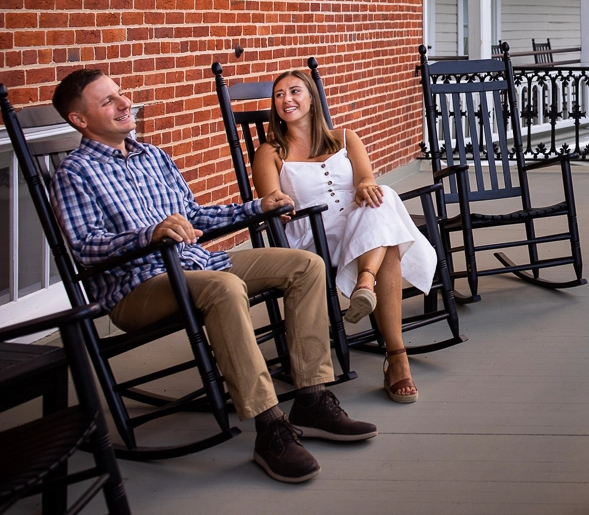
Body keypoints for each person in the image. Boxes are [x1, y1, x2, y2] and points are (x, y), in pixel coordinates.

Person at [49, 68, 377, 484]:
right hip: (135, 287)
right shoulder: (74, 172)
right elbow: (85, 246)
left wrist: (258, 207)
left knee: (305, 265)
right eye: (108, 100)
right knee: (224, 288)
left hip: (195, 264)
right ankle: (269, 425)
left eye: (121, 94)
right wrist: (149, 234)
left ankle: (311, 398)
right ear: (79, 119)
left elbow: (196, 216)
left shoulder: (152, 156)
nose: (124, 103)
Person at [251, 69, 436, 404]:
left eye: (294, 91)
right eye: (279, 95)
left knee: (381, 197)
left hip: (359, 224)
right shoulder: (270, 152)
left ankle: (366, 284)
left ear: (312, 99)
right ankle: (396, 356)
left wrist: (364, 185)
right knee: (385, 237)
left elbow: (366, 179)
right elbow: (271, 203)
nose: (286, 99)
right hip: (314, 236)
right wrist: (279, 205)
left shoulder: (346, 138)